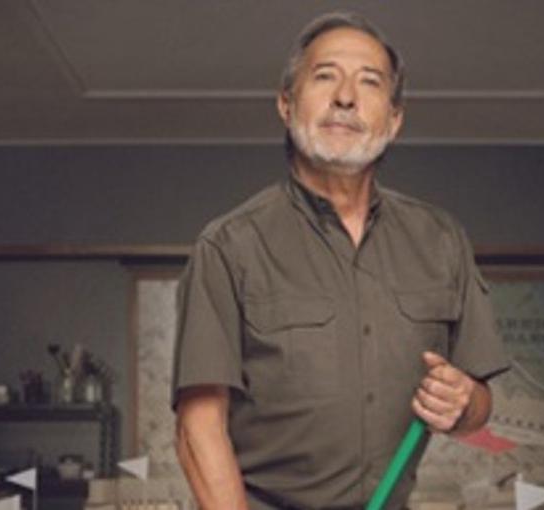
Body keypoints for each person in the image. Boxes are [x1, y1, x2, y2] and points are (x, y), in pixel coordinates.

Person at [172, 12, 510, 509]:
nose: (346, 97)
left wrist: (463, 403)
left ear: (394, 119)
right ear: (286, 104)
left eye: (369, 82)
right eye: (325, 76)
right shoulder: (228, 246)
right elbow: (198, 426)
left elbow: (479, 405)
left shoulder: (441, 239)